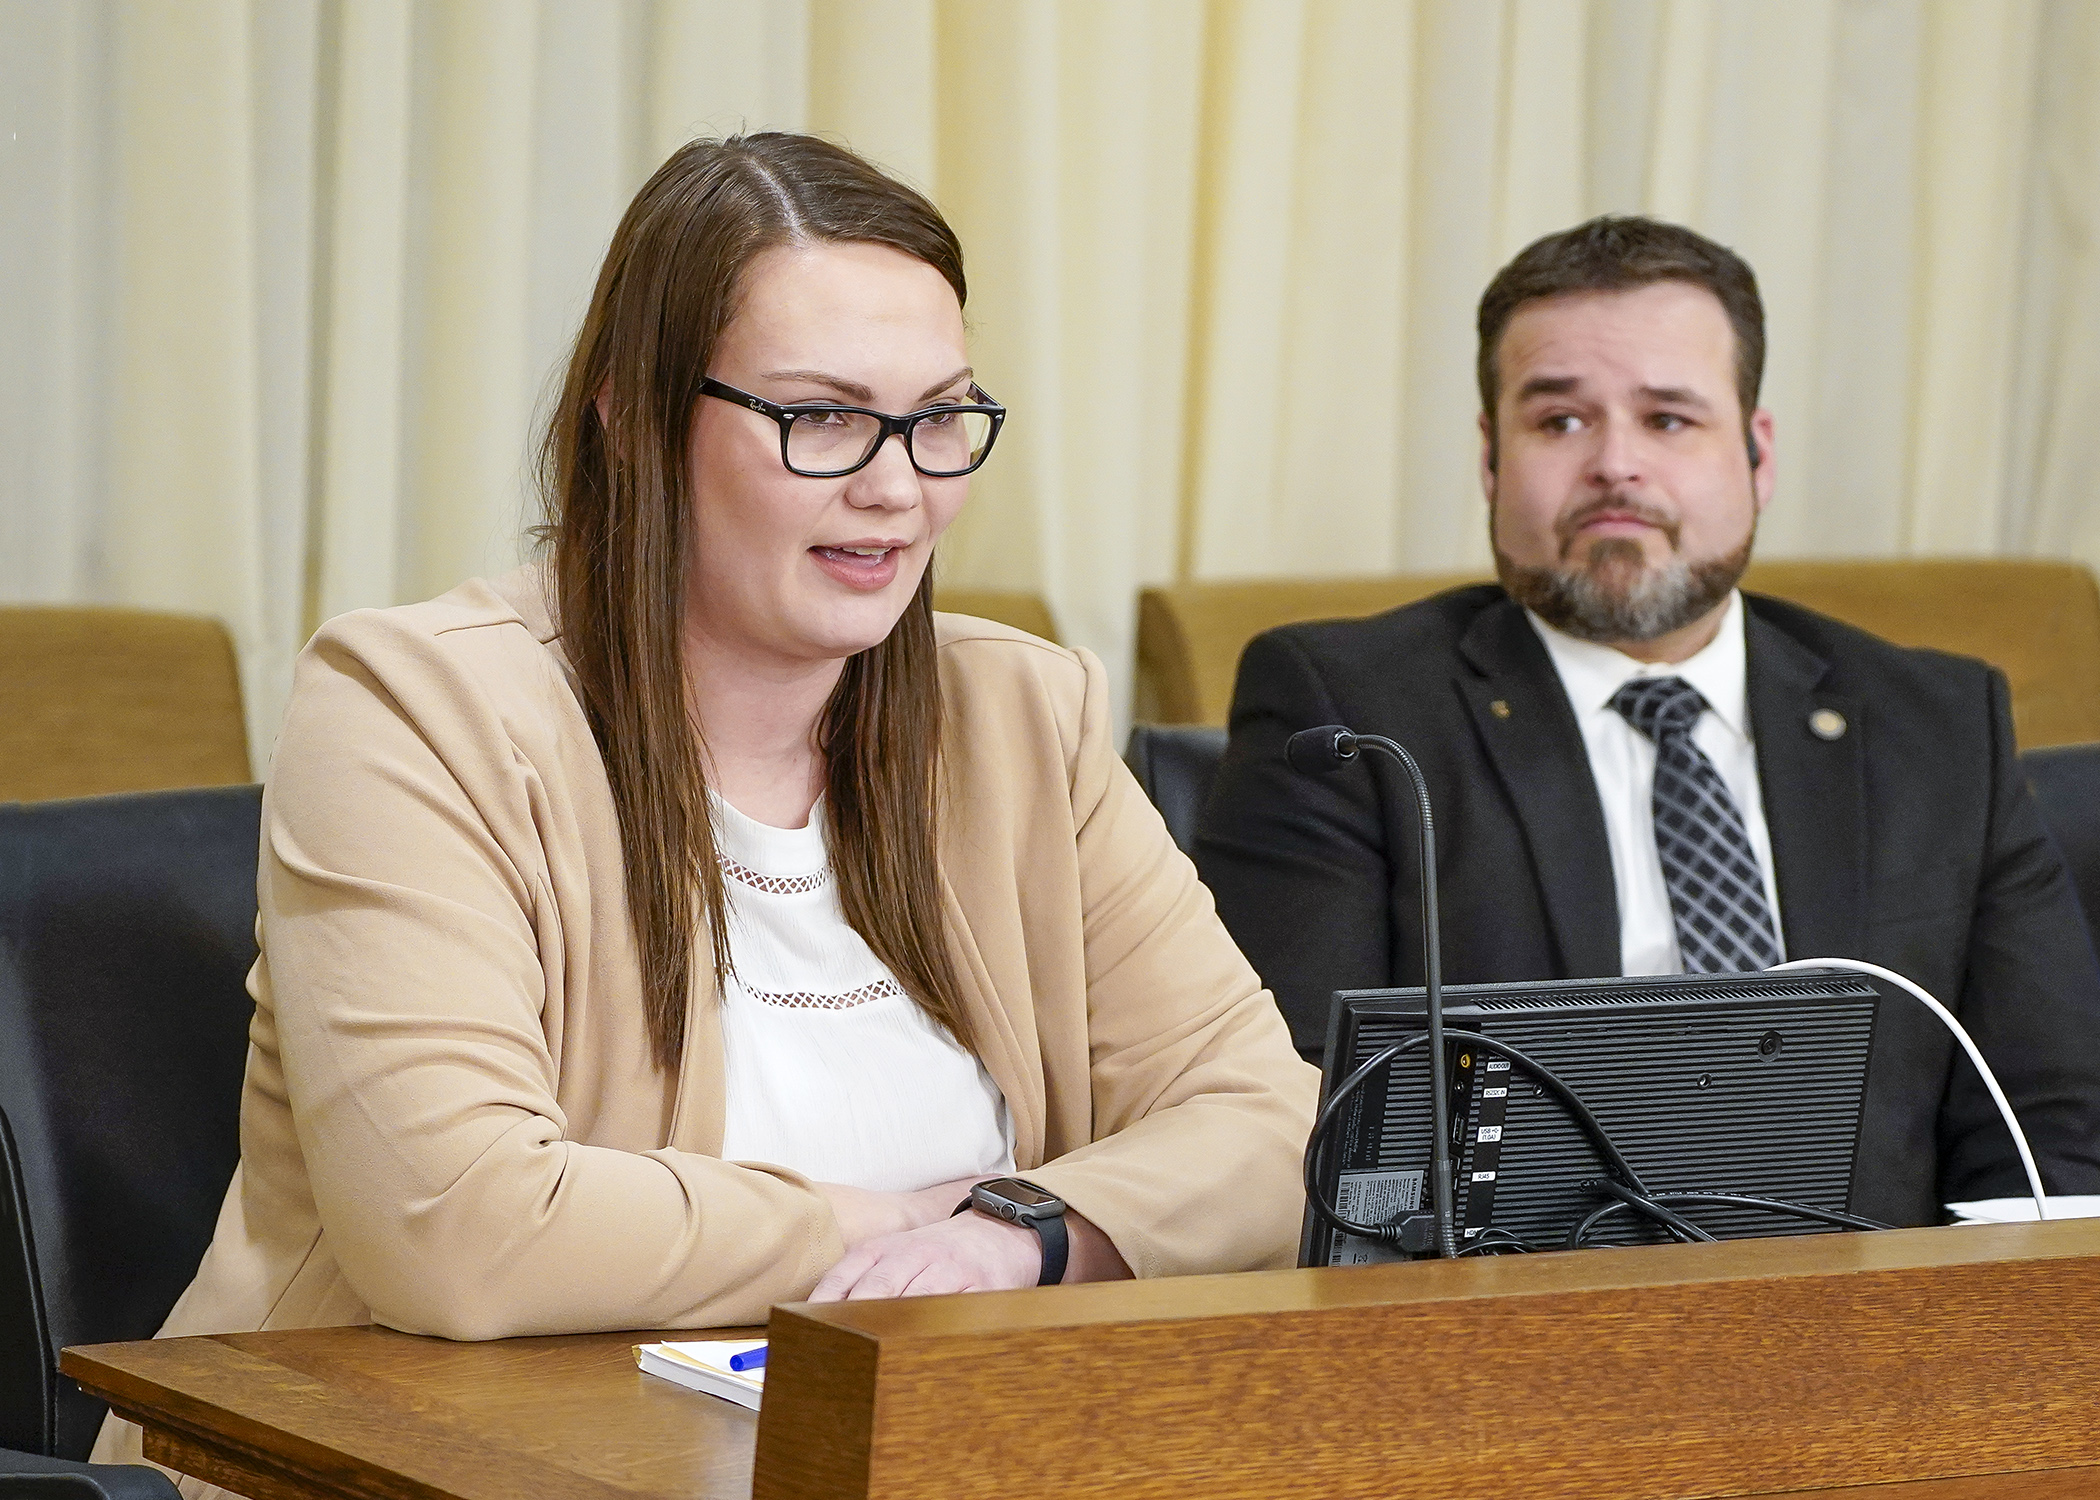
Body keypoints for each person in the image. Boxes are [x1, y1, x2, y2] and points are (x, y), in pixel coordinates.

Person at [96, 133, 1315, 1479]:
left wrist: (1015, 1233)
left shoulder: (1022, 717)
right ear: (633, 416)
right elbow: (464, 1230)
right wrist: (892, 1224)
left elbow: (1269, 1123)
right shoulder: (414, 707)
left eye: (941, 417)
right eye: (825, 417)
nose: (899, 487)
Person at [1196, 215, 2100, 1229]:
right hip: (1512, 1332)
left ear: (1757, 455)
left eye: (1669, 420)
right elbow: (1293, 1108)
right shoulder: (1347, 712)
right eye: (1561, 423)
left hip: (1877, 1332)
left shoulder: (1936, 724)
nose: (1617, 465)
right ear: (1491, 459)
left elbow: (2047, 1126)